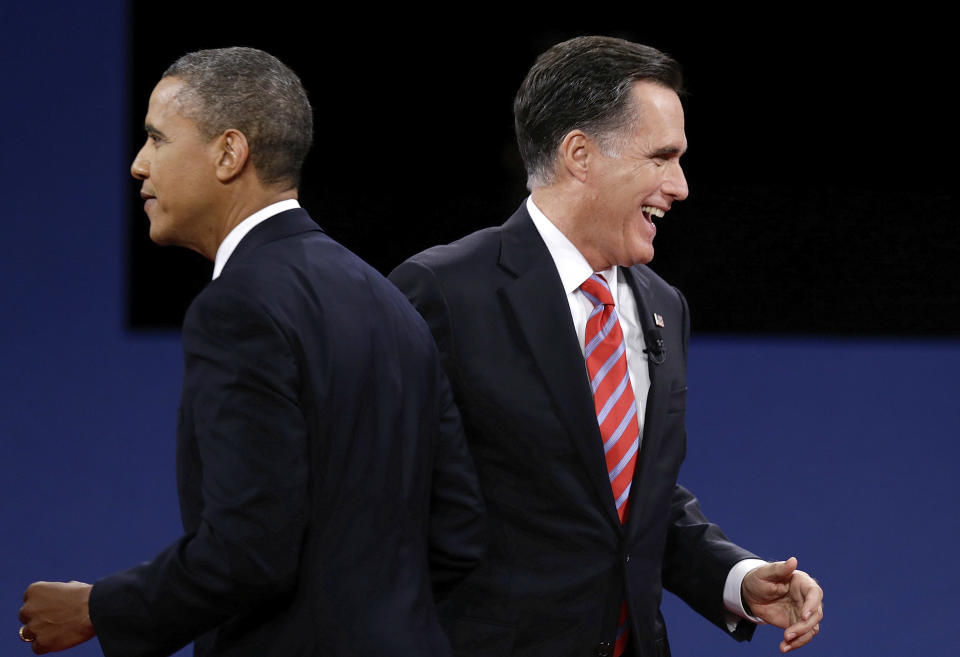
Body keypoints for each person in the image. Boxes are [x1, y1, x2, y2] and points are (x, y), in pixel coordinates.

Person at [18, 47, 485, 657]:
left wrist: (98, 608)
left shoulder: (237, 306)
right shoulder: (390, 301)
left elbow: (250, 550)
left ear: (229, 153)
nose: (137, 165)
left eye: (157, 139)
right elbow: (459, 534)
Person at [389, 36, 823, 657]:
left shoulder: (663, 306)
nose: (680, 186)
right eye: (661, 157)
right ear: (580, 155)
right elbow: (378, 503)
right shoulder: (442, 292)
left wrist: (738, 579)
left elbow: (627, 501)